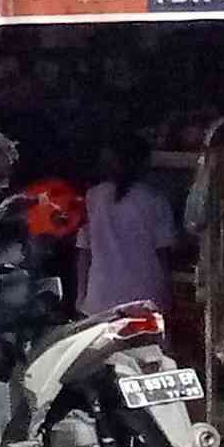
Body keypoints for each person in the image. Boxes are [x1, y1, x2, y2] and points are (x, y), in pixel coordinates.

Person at [79, 132, 182, 318]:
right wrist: (168, 297)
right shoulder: (154, 199)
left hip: (100, 298)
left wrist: (81, 295)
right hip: (145, 297)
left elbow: (84, 252)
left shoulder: (92, 197)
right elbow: (163, 255)